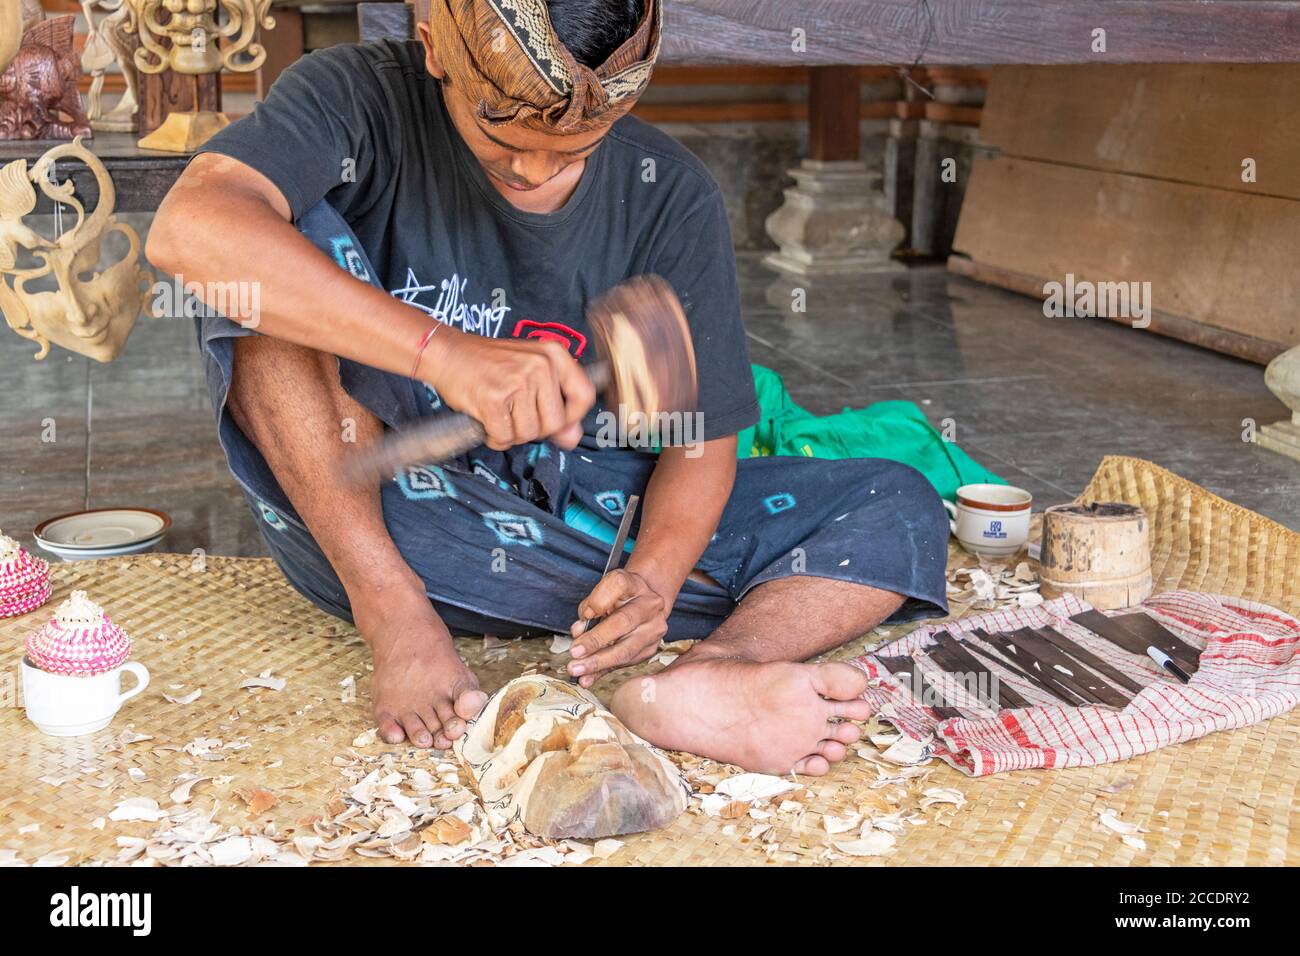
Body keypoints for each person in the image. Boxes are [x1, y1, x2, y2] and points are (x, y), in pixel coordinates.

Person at [147, 0, 949, 776]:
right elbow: (191, 228)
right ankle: (395, 616)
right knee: (259, 257)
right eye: (504, 142)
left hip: (579, 537)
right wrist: (442, 354)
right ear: (433, 49)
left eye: (575, 150)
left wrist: (653, 582)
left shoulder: (665, 193)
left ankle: (706, 675)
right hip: (375, 509)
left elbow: (697, 442)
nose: (534, 173)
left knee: (895, 498)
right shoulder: (358, 98)